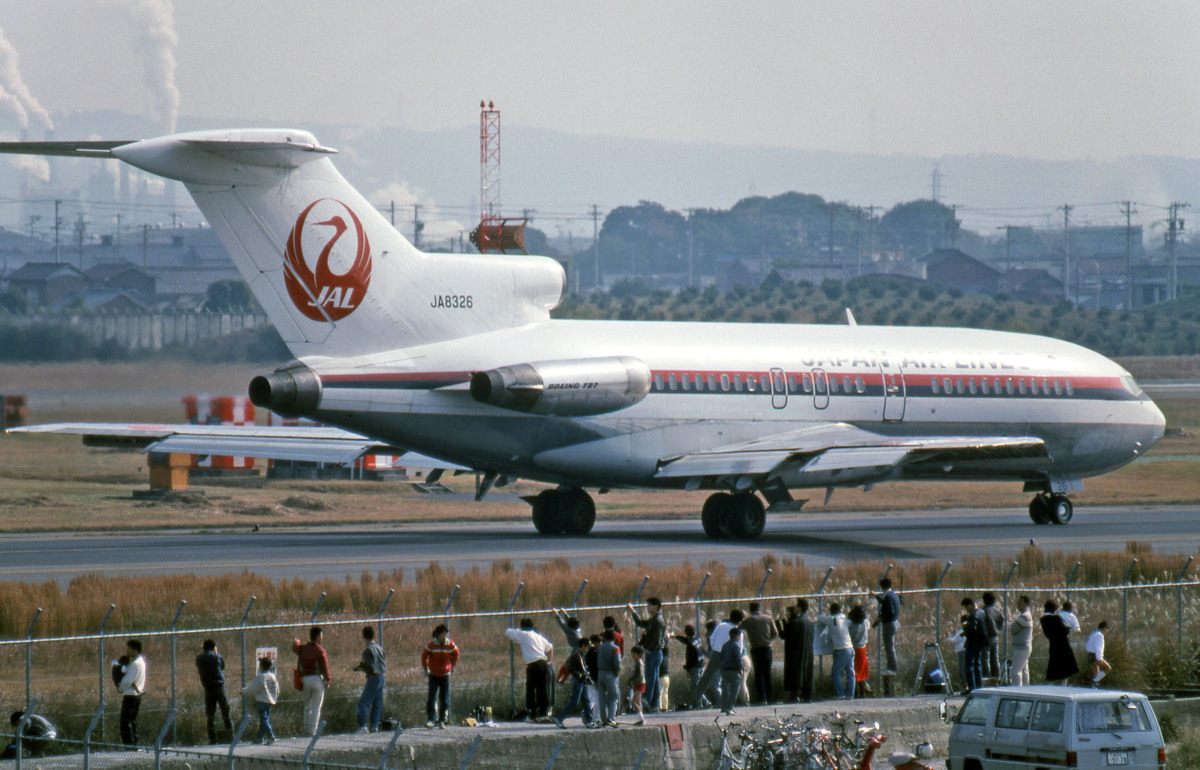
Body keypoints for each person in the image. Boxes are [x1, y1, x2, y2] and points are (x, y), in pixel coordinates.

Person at [691, 608, 744, 708]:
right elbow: (739, 649)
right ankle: (726, 704)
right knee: (726, 680)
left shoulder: (721, 625)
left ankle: (695, 699)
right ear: (740, 621)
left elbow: (712, 638)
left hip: (716, 653)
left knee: (706, 677)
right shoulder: (738, 632)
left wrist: (715, 647)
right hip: (728, 657)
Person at [504, 618, 555, 720]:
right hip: (543, 663)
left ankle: (532, 713)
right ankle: (543, 713)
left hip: (533, 665)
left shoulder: (523, 634)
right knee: (542, 689)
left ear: (522, 627)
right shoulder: (538, 636)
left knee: (530, 689)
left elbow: (507, 632)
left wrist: (518, 630)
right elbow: (550, 647)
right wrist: (549, 661)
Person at [627, 597, 666, 713]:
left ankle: (646, 702)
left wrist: (649, 648)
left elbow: (657, 639)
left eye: (650, 605)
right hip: (653, 652)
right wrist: (633, 611)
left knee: (651, 678)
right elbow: (640, 623)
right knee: (654, 679)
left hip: (654, 652)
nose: (648, 607)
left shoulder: (658, 620)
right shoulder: (653, 619)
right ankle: (654, 705)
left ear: (656, 606)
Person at [292, 626, 330, 736]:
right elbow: (325, 668)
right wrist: (328, 680)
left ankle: (306, 729)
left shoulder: (303, 649)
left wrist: (296, 641)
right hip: (317, 679)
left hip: (305, 679)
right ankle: (312, 731)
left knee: (307, 706)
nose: (322, 639)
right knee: (316, 707)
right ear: (317, 637)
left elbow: (295, 648)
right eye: (321, 636)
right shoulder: (320, 651)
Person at [195, 639, 233, 744]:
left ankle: (212, 739)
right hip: (219, 687)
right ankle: (230, 735)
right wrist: (216, 653)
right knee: (225, 711)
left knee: (210, 714)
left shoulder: (199, 659)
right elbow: (222, 667)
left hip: (208, 688)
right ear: (213, 647)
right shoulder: (217, 657)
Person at [421, 624, 459, 728]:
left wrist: (452, 665)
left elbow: (456, 654)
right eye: (443, 634)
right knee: (432, 697)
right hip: (433, 675)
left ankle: (442, 720)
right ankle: (431, 719)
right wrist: (426, 667)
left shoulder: (450, 645)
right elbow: (424, 655)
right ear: (438, 634)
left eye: (446, 634)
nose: (445, 636)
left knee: (445, 698)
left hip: (445, 675)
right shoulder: (432, 645)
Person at [777, 598, 815, 702]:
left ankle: (794, 696)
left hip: (796, 653)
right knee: (806, 673)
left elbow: (787, 636)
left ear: (800, 608)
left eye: (797, 606)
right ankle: (807, 696)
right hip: (808, 652)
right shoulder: (809, 622)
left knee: (796, 673)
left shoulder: (796, 622)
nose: (795, 609)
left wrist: (780, 624)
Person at [353, 625, 387, 733]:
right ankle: (374, 726)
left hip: (373, 678)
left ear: (364, 637)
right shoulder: (380, 648)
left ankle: (363, 726)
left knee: (363, 703)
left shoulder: (367, 650)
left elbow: (370, 666)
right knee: (377, 703)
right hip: (381, 677)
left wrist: (361, 667)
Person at [742, 601, 777, 704]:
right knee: (767, 673)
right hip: (767, 648)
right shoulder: (768, 618)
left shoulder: (749, 620)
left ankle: (762, 698)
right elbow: (775, 633)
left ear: (750, 609)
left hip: (756, 648)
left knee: (759, 673)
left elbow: (738, 627)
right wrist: (768, 640)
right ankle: (770, 697)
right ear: (759, 608)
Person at [555, 636, 595, 728]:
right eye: (587, 646)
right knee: (574, 702)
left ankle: (589, 721)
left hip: (582, 681)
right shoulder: (576, 656)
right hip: (578, 681)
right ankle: (559, 719)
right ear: (583, 646)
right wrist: (580, 675)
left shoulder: (581, 655)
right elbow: (571, 669)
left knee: (586, 701)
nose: (588, 648)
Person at [819, 602, 854, 699]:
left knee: (836, 672)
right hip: (850, 648)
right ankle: (850, 694)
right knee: (850, 673)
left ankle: (840, 694)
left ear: (831, 612)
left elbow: (820, 618)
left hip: (841, 649)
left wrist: (829, 615)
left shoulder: (832, 619)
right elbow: (850, 624)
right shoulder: (845, 619)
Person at [1040, 599, 1079, 685]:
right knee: (1065, 672)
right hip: (1063, 646)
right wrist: (1069, 628)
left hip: (1053, 646)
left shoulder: (1043, 619)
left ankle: (1051, 688)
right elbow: (1064, 630)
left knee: (1053, 670)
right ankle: (1062, 688)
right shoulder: (1056, 618)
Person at [242, 656, 279, 745]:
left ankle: (271, 736)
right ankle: (260, 737)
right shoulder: (272, 677)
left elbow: (253, 688)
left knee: (263, 719)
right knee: (264, 719)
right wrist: (274, 698)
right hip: (270, 701)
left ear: (261, 666)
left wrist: (244, 691)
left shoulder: (260, 677)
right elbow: (277, 689)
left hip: (262, 701)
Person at [118, 638, 146, 746]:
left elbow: (128, 680)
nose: (127, 651)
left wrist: (120, 688)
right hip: (136, 695)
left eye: (129, 648)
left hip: (130, 695)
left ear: (135, 649)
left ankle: (129, 745)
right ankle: (134, 743)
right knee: (132, 721)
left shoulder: (135, 664)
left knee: (125, 722)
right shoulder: (141, 662)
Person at [672, 624, 704, 709]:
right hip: (701, 665)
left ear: (686, 632)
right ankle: (706, 702)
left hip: (695, 667)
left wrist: (688, 670)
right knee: (698, 685)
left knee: (694, 686)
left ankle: (698, 704)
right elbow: (686, 640)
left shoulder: (690, 644)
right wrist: (676, 637)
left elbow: (690, 658)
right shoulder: (696, 640)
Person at [872, 578, 901, 676]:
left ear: (882, 586)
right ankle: (890, 667)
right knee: (890, 647)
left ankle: (892, 669)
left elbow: (890, 611)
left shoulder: (888, 597)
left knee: (889, 647)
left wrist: (881, 618)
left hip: (889, 624)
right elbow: (885, 604)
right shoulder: (893, 595)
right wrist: (876, 596)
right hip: (895, 622)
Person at [960, 597, 987, 693]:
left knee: (969, 666)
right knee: (977, 665)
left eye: (966, 608)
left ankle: (972, 688)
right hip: (980, 642)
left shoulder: (974, 614)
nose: (966, 610)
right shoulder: (982, 612)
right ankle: (979, 687)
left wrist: (965, 628)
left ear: (969, 605)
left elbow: (972, 629)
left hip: (972, 643)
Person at [596, 629, 622, 727]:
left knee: (602, 698)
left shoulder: (600, 647)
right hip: (611, 673)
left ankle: (603, 719)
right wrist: (616, 673)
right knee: (613, 697)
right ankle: (611, 718)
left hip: (600, 672)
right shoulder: (615, 648)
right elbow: (617, 663)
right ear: (614, 638)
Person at [718, 627, 745, 716]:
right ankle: (730, 708)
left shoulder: (725, 645)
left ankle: (724, 707)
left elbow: (721, 658)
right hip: (733, 670)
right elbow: (738, 658)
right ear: (737, 636)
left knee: (726, 690)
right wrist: (740, 668)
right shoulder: (735, 646)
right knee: (734, 690)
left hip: (725, 670)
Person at [1010, 595, 1035, 686]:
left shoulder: (1025, 617)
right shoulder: (1024, 616)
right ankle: (1025, 689)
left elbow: (1013, 629)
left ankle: (1017, 691)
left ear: (1027, 604)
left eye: (1020, 603)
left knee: (1015, 671)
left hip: (1021, 648)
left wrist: (1014, 622)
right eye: (1018, 603)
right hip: (1023, 647)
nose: (1018, 605)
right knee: (1024, 670)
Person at [848, 603, 871, 697]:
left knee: (855, 671)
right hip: (863, 648)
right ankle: (861, 692)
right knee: (861, 672)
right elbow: (868, 627)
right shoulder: (865, 622)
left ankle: (856, 693)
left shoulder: (852, 624)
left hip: (854, 647)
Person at [982, 592, 1005, 680]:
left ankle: (986, 677)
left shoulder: (985, 610)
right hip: (995, 636)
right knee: (995, 657)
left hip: (987, 636)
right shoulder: (998, 610)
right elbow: (1002, 621)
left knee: (985, 658)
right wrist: (998, 630)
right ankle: (997, 677)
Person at [624, 645, 646, 725]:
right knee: (638, 701)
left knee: (633, 702)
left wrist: (630, 680)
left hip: (640, 684)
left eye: (634, 654)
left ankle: (641, 718)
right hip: (637, 683)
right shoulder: (636, 662)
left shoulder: (639, 663)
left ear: (639, 654)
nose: (632, 656)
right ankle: (641, 719)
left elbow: (639, 675)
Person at [1086, 621, 1112, 686]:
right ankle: (1093, 681)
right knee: (1108, 668)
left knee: (1096, 675)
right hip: (1095, 656)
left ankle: (1094, 688)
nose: (1107, 631)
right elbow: (1098, 647)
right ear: (1105, 628)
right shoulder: (1099, 636)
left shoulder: (1094, 634)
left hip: (1089, 655)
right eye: (1107, 629)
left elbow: (1088, 645)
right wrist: (1099, 658)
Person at [947, 618, 968, 694]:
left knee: (963, 670)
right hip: (965, 651)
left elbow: (954, 640)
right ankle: (967, 686)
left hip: (962, 651)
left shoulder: (962, 632)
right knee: (966, 669)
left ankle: (965, 686)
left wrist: (947, 637)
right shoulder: (966, 631)